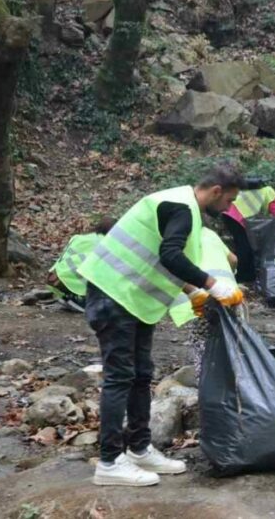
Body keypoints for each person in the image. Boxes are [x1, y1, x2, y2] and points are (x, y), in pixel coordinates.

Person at [77, 164, 245, 487]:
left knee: (141, 374)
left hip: (130, 299)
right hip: (113, 295)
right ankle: (110, 461)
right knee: (119, 377)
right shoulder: (181, 207)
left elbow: (157, 255)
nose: (229, 208)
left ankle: (139, 447)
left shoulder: (182, 208)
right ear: (215, 192)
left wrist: (191, 290)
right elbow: (170, 255)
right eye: (228, 201)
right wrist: (211, 284)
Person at [184, 227, 239, 382]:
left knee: (201, 339)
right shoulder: (211, 234)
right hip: (230, 293)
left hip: (202, 294)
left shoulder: (182, 236)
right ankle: (233, 382)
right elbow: (233, 259)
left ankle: (206, 384)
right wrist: (231, 276)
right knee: (231, 337)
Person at [220, 182, 275, 284]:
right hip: (235, 213)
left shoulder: (265, 191)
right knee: (244, 246)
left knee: (243, 244)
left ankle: (247, 275)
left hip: (229, 211)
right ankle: (244, 276)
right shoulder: (272, 196)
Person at [47, 216, 115, 312]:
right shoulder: (106, 242)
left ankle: (69, 297)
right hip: (71, 280)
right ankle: (80, 299)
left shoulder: (79, 237)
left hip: (54, 275)